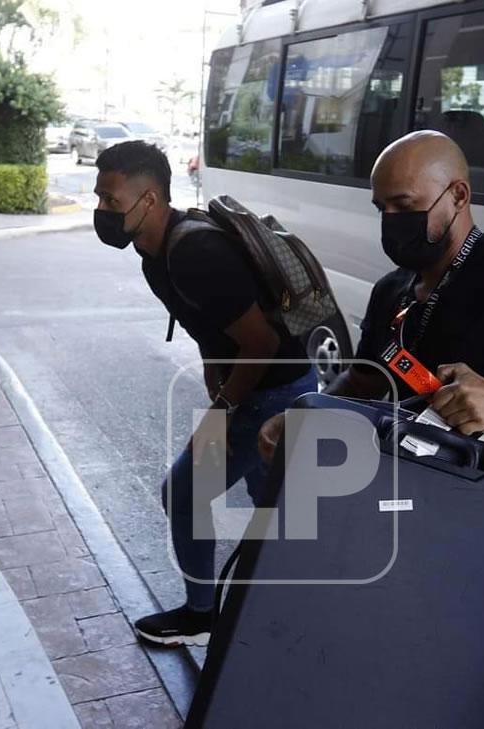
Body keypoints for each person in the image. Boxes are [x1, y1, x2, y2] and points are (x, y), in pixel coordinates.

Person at [259, 131, 484, 471]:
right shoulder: (392, 291)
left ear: (458, 196)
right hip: (419, 493)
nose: (390, 221)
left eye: (404, 205)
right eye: (381, 208)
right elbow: (361, 383)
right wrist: (303, 416)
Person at [92, 141, 317, 647]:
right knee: (271, 501)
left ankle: (201, 615)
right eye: (98, 198)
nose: (102, 211)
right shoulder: (155, 253)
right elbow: (208, 322)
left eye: (111, 200)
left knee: (185, 492)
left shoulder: (195, 250)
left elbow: (261, 341)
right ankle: (288, 601)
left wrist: (221, 412)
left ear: (148, 200)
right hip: (266, 384)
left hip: (276, 390)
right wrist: (213, 367)